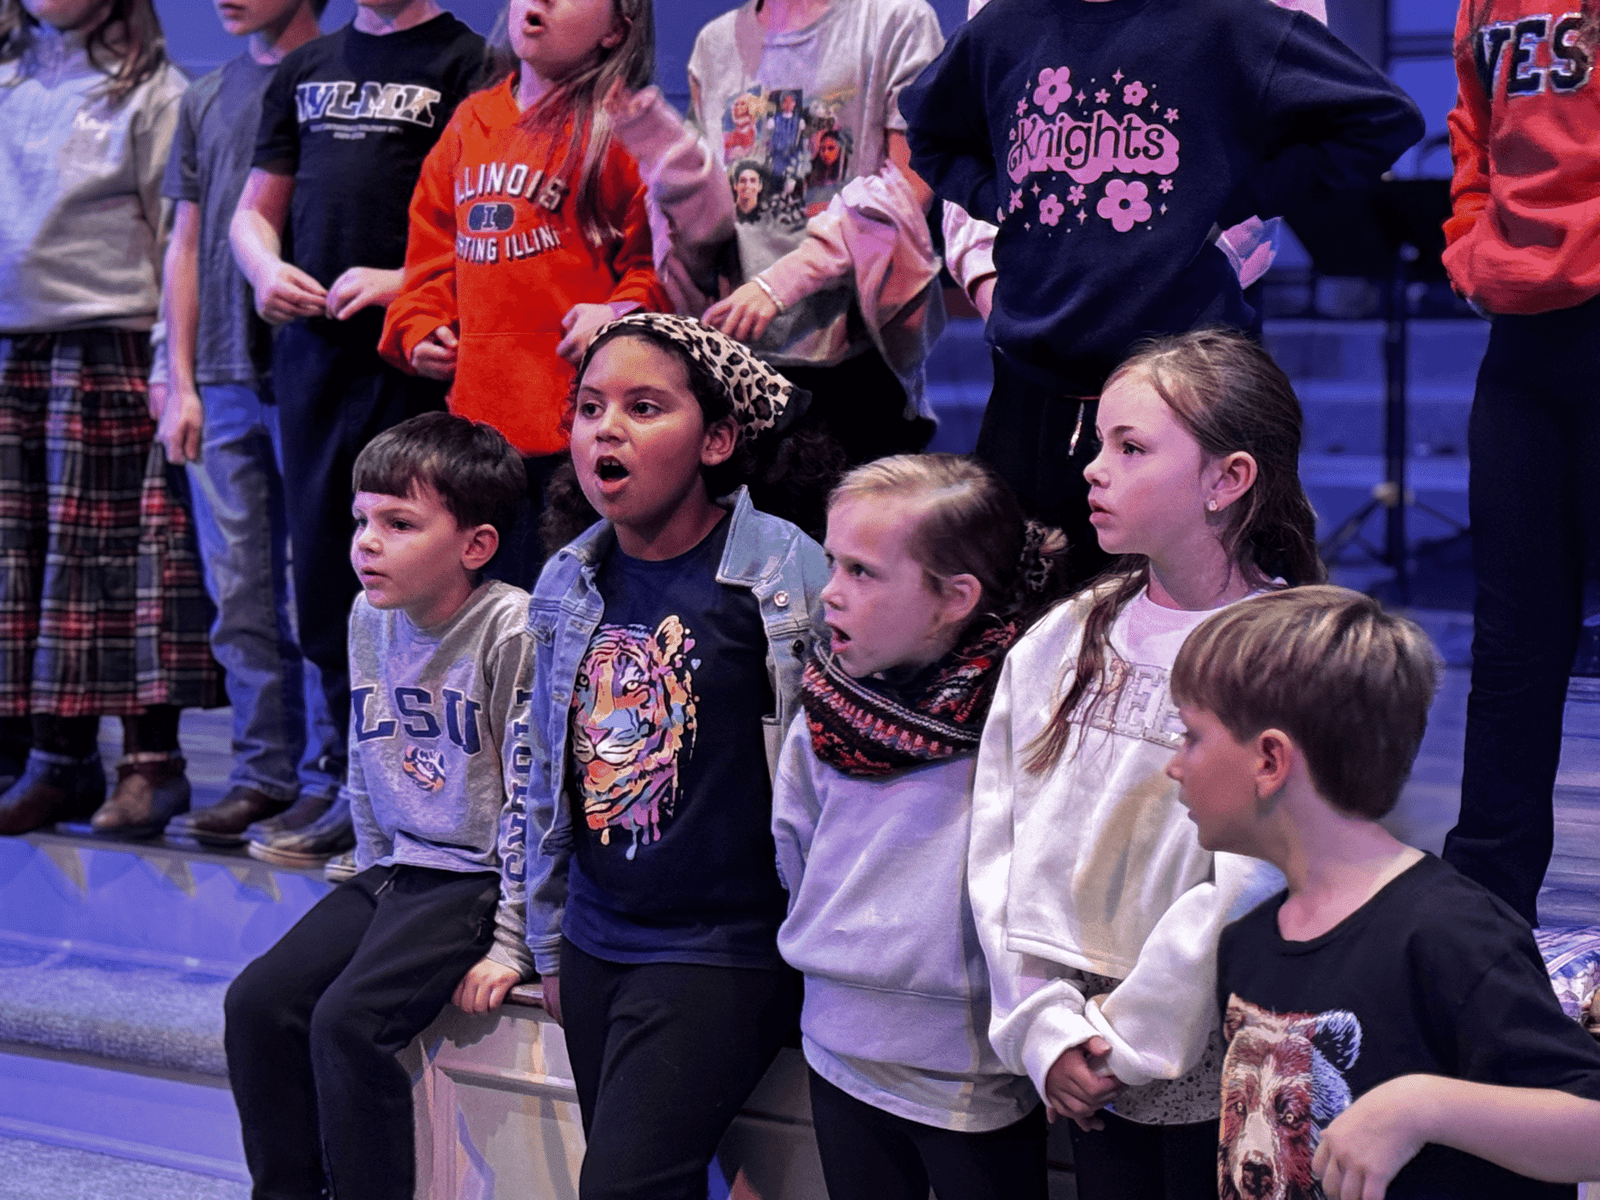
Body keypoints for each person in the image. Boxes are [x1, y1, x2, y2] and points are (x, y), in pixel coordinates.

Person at [968, 328, 1323, 1199]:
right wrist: (1044, 1028)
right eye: (1097, 443)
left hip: (1212, 1049)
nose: (1093, 469)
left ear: (1226, 479)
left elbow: (1250, 882)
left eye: (1130, 448)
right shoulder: (1065, 636)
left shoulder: (1284, 654)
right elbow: (999, 841)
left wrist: (1129, 1042)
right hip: (1078, 1041)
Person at [899, 0, 1422, 583]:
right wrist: (1003, 200)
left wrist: (1234, 197)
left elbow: (1381, 118)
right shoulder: (1005, 25)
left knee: (1201, 611)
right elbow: (930, 132)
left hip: (1185, 382)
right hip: (1034, 390)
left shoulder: (1225, 21)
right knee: (1026, 607)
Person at [520, 312, 834, 1200]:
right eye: (590, 408)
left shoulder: (787, 574)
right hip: (596, 936)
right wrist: (546, 937)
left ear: (718, 440)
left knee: (622, 1187)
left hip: (724, 947)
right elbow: (539, 772)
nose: (606, 430)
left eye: (644, 407)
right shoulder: (568, 578)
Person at [1167, 586, 1600, 1200]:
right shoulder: (1246, 944)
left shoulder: (1452, 934)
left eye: (1191, 735)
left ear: (1269, 760)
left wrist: (1423, 1106)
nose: (1174, 765)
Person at [223, 411, 534, 1200]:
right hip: (395, 870)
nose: (367, 543)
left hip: (472, 881)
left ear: (475, 545)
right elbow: (369, 761)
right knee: (257, 1002)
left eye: (399, 524)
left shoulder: (512, 628)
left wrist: (511, 942)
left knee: (347, 1024)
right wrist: (368, 873)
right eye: (362, 521)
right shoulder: (370, 615)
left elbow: (533, 800)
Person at [217, 0, 483, 852]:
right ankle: (343, 774)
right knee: (329, 572)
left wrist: (405, 281)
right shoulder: (307, 67)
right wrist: (264, 269)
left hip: (408, 363)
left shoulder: (466, 60)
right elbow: (254, 210)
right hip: (313, 361)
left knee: (410, 573)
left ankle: (415, 784)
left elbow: (488, 223)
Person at [771, 454, 1067, 1200]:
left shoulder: (1021, 721)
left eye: (862, 572)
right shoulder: (823, 710)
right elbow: (794, 848)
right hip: (837, 1044)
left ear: (954, 598)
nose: (830, 592)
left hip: (970, 1068)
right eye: (832, 563)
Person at [0, 0, 221, 836]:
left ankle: (150, 762)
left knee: (122, 559)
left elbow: (177, 243)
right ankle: (56, 759)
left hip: (108, 345)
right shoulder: (8, 81)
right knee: (25, 560)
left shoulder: (154, 94)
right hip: (15, 346)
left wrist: (171, 365)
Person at [378, 0, 680, 588]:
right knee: (492, 608)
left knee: (570, 604)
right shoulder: (472, 121)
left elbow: (656, 268)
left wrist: (617, 315)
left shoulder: (621, 127)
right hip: (480, 437)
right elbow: (430, 258)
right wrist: (419, 326)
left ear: (616, 28)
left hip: (578, 437)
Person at [133, 0, 340, 848]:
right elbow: (185, 243)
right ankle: (263, 772)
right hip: (219, 376)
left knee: (318, 584)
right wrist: (176, 376)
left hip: (309, 368)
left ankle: (332, 774)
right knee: (240, 595)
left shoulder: (338, 77)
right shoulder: (207, 96)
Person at [1438, 0, 1600, 926]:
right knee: (1511, 643)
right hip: (1522, 329)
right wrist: (1470, 244)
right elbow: (1475, 128)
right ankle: (1483, 921)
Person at [688, 0, 949, 472]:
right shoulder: (715, 44)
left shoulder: (895, 21)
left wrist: (782, 282)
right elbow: (701, 211)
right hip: (739, 362)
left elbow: (909, 187)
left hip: (856, 362)